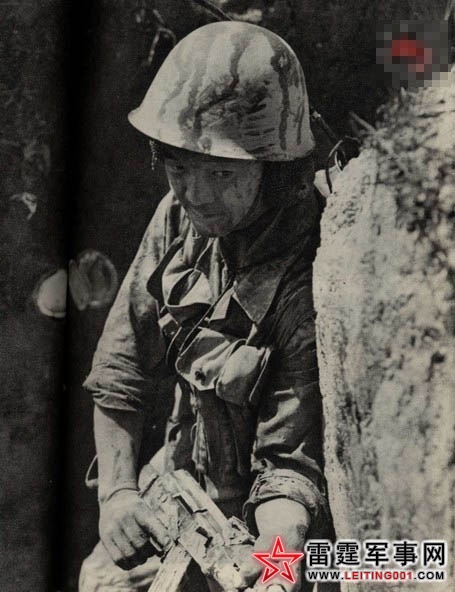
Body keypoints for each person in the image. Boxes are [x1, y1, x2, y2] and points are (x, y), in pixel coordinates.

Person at [79, 20, 334, 592]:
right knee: (101, 581)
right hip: (181, 488)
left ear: (272, 167)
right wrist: (118, 495)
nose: (194, 193)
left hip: (270, 526)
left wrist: (277, 559)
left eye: (220, 172)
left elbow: (290, 467)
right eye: (179, 167)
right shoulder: (178, 218)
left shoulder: (305, 272)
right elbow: (120, 371)